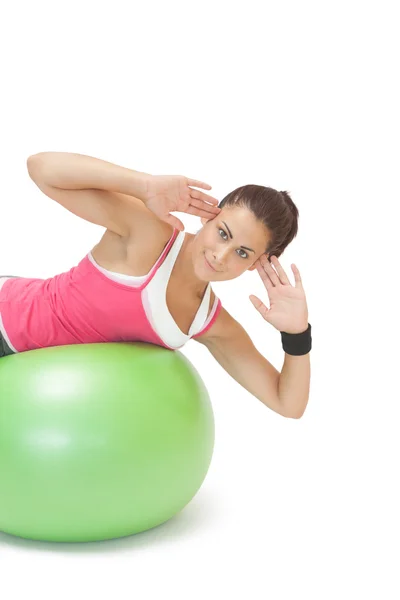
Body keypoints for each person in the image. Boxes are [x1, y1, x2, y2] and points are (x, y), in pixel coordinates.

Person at [0, 152, 312, 417]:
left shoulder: (208, 322)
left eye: (242, 253)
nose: (221, 255)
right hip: (7, 320)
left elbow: (288, 404)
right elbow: (41, 168)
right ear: (209, 217)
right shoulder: (150, 233)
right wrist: (143, 185)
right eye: (223, 233)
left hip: (38, 385)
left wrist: (296, 334)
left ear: (257, 263)